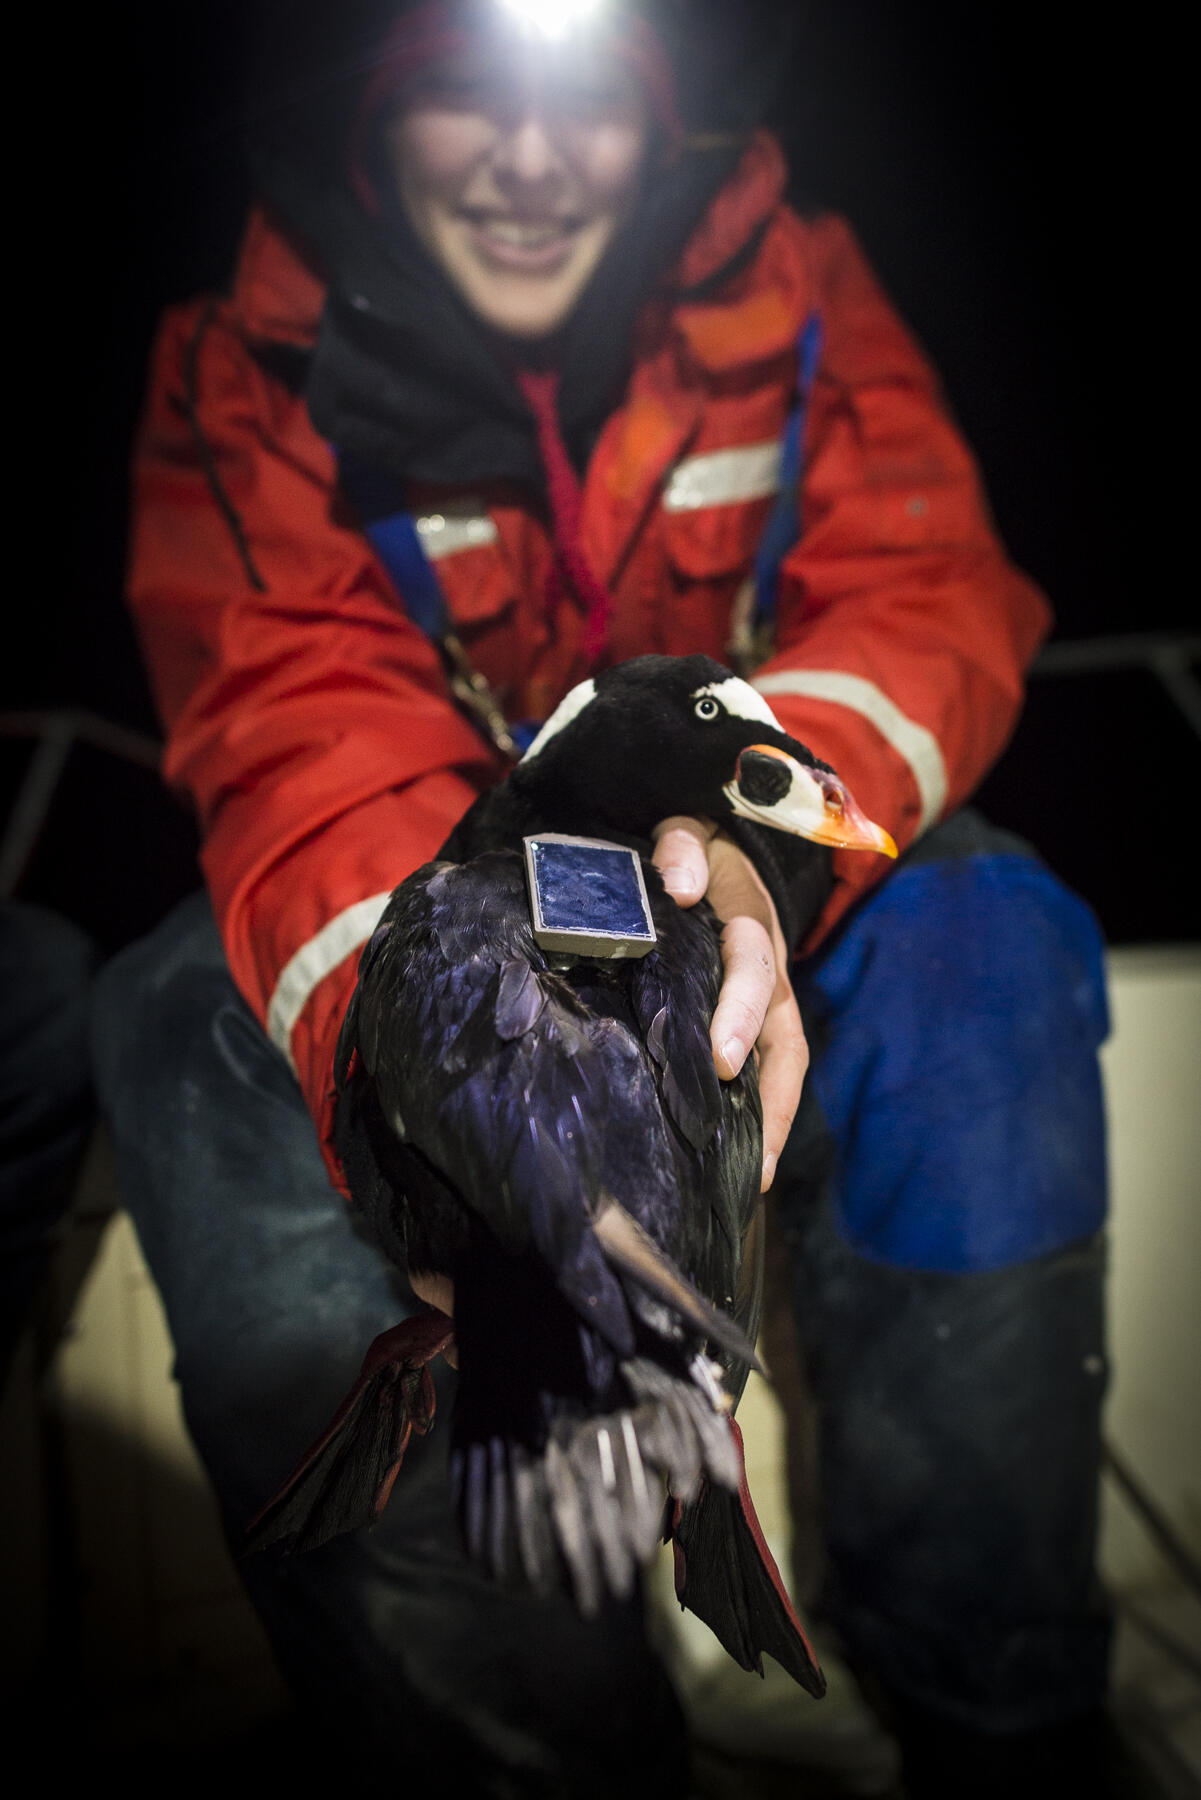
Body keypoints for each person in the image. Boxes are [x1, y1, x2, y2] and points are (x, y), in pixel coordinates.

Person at [91, 2, 1126, 1793]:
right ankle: (527, 1756)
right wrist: (439, 1067)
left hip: (747, 900)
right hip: (445, 912)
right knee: (182, 1028)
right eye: (457, 100)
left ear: (656, 120)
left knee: (986, 939)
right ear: (373, 114)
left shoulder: (790, 287)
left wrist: (749, 849)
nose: (525, 161)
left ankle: (1000, 1709)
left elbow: (921, 585)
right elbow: (293, 728)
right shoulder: (239, 360)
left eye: (579, 104)